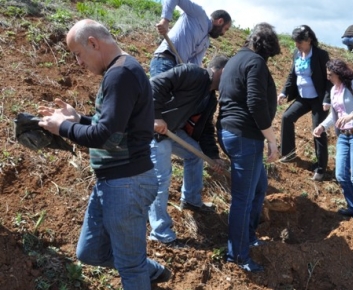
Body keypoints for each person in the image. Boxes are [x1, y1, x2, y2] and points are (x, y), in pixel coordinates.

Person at [38, 19, 170, 289]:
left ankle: (141, 270)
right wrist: (77, 119)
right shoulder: (121, 71)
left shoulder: (120, 74)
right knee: (89, 252)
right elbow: (114, 129)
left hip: (127, 183)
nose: (78, 62)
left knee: (130, 268)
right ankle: (151, 270)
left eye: (78, 54)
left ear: (93, 43)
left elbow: (105, 136)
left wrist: (63, 127)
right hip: (113, 182)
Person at [217, 22, 280, 273]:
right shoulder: (255, 62)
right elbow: (255, 103)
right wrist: (272, 140)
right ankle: (238, 256)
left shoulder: (235, 60)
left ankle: (249, 236)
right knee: (242, 199)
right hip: (245, 136)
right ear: (263, 48)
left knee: (260, 187)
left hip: (231, 132)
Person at [147, 55, 229, 248]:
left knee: (194, 154)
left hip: (172, 131)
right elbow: (154, 85)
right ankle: (160, 233)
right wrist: (156, 116)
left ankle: (191, 200)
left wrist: (214, 156)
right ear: (222, 71)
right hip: (152, 131)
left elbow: (206, 129)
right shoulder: (192, 72)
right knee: (162, 178)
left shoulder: (210, 99)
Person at [313, 59, 353, 225]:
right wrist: (322, 127)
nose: (328, 78)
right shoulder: (333, 90)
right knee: (340, 174)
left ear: (339, 73)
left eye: (330, 75)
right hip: (343, 136)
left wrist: (351, 115)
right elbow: (334, 116)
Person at [278, 25, 332, 181]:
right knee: (287, 117)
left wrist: (327, 99)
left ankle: (321, 168)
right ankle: (288, 153)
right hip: (303, 97)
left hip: (318, 99)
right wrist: (284, 92)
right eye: (295, 41)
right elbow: (291, 75)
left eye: (299, 42)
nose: (297, 45)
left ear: (309, 40)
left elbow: (329, 79)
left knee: (318, 130)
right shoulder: (297, 53)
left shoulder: (321, 55)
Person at [150, 0, 231, 76]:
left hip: (177, 72)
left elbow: (193, 66)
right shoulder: (198, 14)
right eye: (225, 29)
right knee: (160, 90)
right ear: (220, 21)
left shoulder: (206, 43)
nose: (223, 33)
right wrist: (165, 20)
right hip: (164, 60)